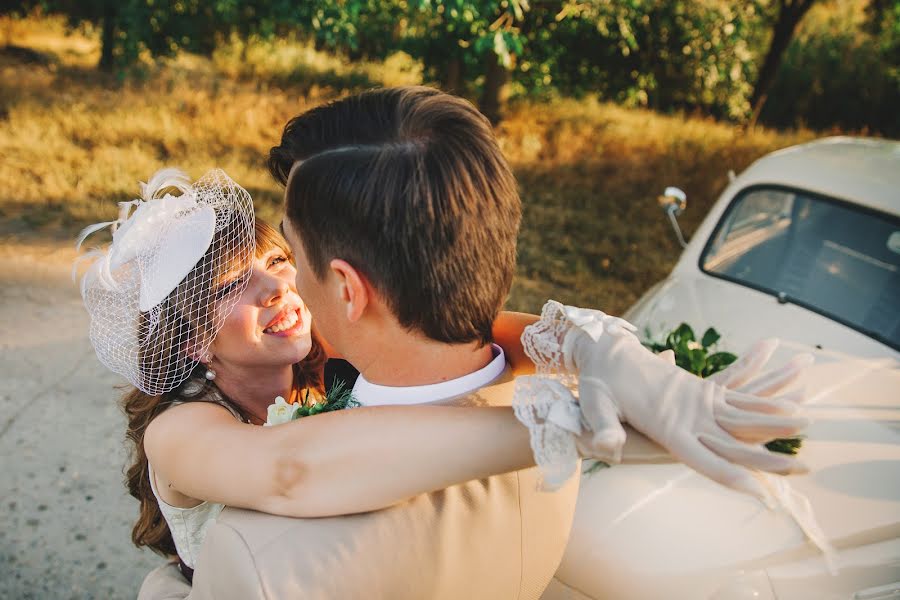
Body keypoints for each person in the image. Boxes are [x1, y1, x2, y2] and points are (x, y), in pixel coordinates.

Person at [79, 88, 807, 600]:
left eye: (279, 260)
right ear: (190, 345)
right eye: (225, 290)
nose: (278, 289)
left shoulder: (325, 358)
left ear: (345, 286)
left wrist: (603, 353)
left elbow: (469, 317)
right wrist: (561, 422)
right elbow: (290, 470)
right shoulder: (179, 432)